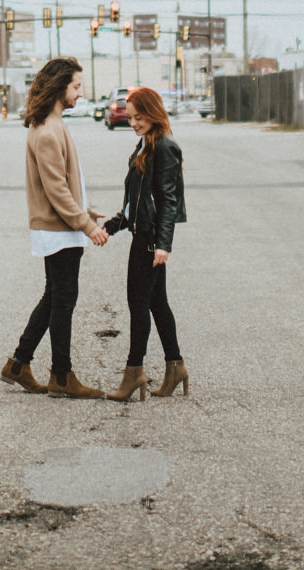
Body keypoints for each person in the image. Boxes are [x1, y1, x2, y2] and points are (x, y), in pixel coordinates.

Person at [0, 57, 109, 398]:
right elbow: (55, 188)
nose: (80, 91)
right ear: (60, 86)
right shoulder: (48, 130)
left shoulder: (52, 125)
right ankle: (61, 376)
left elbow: (64, 183)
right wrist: (85, 224)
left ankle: (18, 364)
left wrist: (86, 210)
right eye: (76, 86)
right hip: (58, 228)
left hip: (61, 224)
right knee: (63, 299)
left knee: (55, 297)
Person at [102, 86, 188, 401]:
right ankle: (175, 367)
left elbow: (167, 200)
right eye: (130, 117)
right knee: (156, 304)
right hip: (143, 235)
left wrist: (164, 244)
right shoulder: (145, 146)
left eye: (139, 117)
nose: (133, 122)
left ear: (153, 113)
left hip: (150, 242)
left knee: (139, 306)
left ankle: (134, 372)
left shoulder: (164, 147)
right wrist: (111, 226)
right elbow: (134, 204)